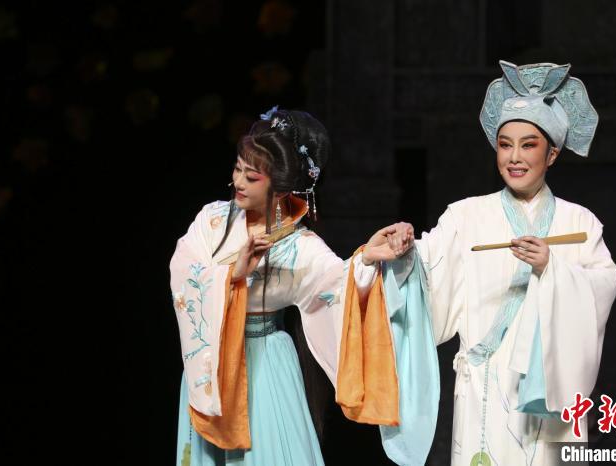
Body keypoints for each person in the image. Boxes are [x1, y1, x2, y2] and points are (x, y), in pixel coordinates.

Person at [169, 107, 428, 466]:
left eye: (251, 176)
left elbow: (339, 286)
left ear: (280, 187)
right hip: (210, 364)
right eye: (237, 169)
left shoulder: (301, 247)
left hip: (264, 362)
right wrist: (233, 274)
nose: (239, 182)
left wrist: (368, 257)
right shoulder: (212, 219)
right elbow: (184, 270)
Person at [393, 61, 616, 465]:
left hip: (551, 386)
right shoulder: (464, 216)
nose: (514, 157)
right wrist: (400, 253)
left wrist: (552, 269)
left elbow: (602, 288)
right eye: (504, 144)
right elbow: (424, 273)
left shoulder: (580, 222)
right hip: (483, 385)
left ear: (552, 154)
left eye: (528, 145)